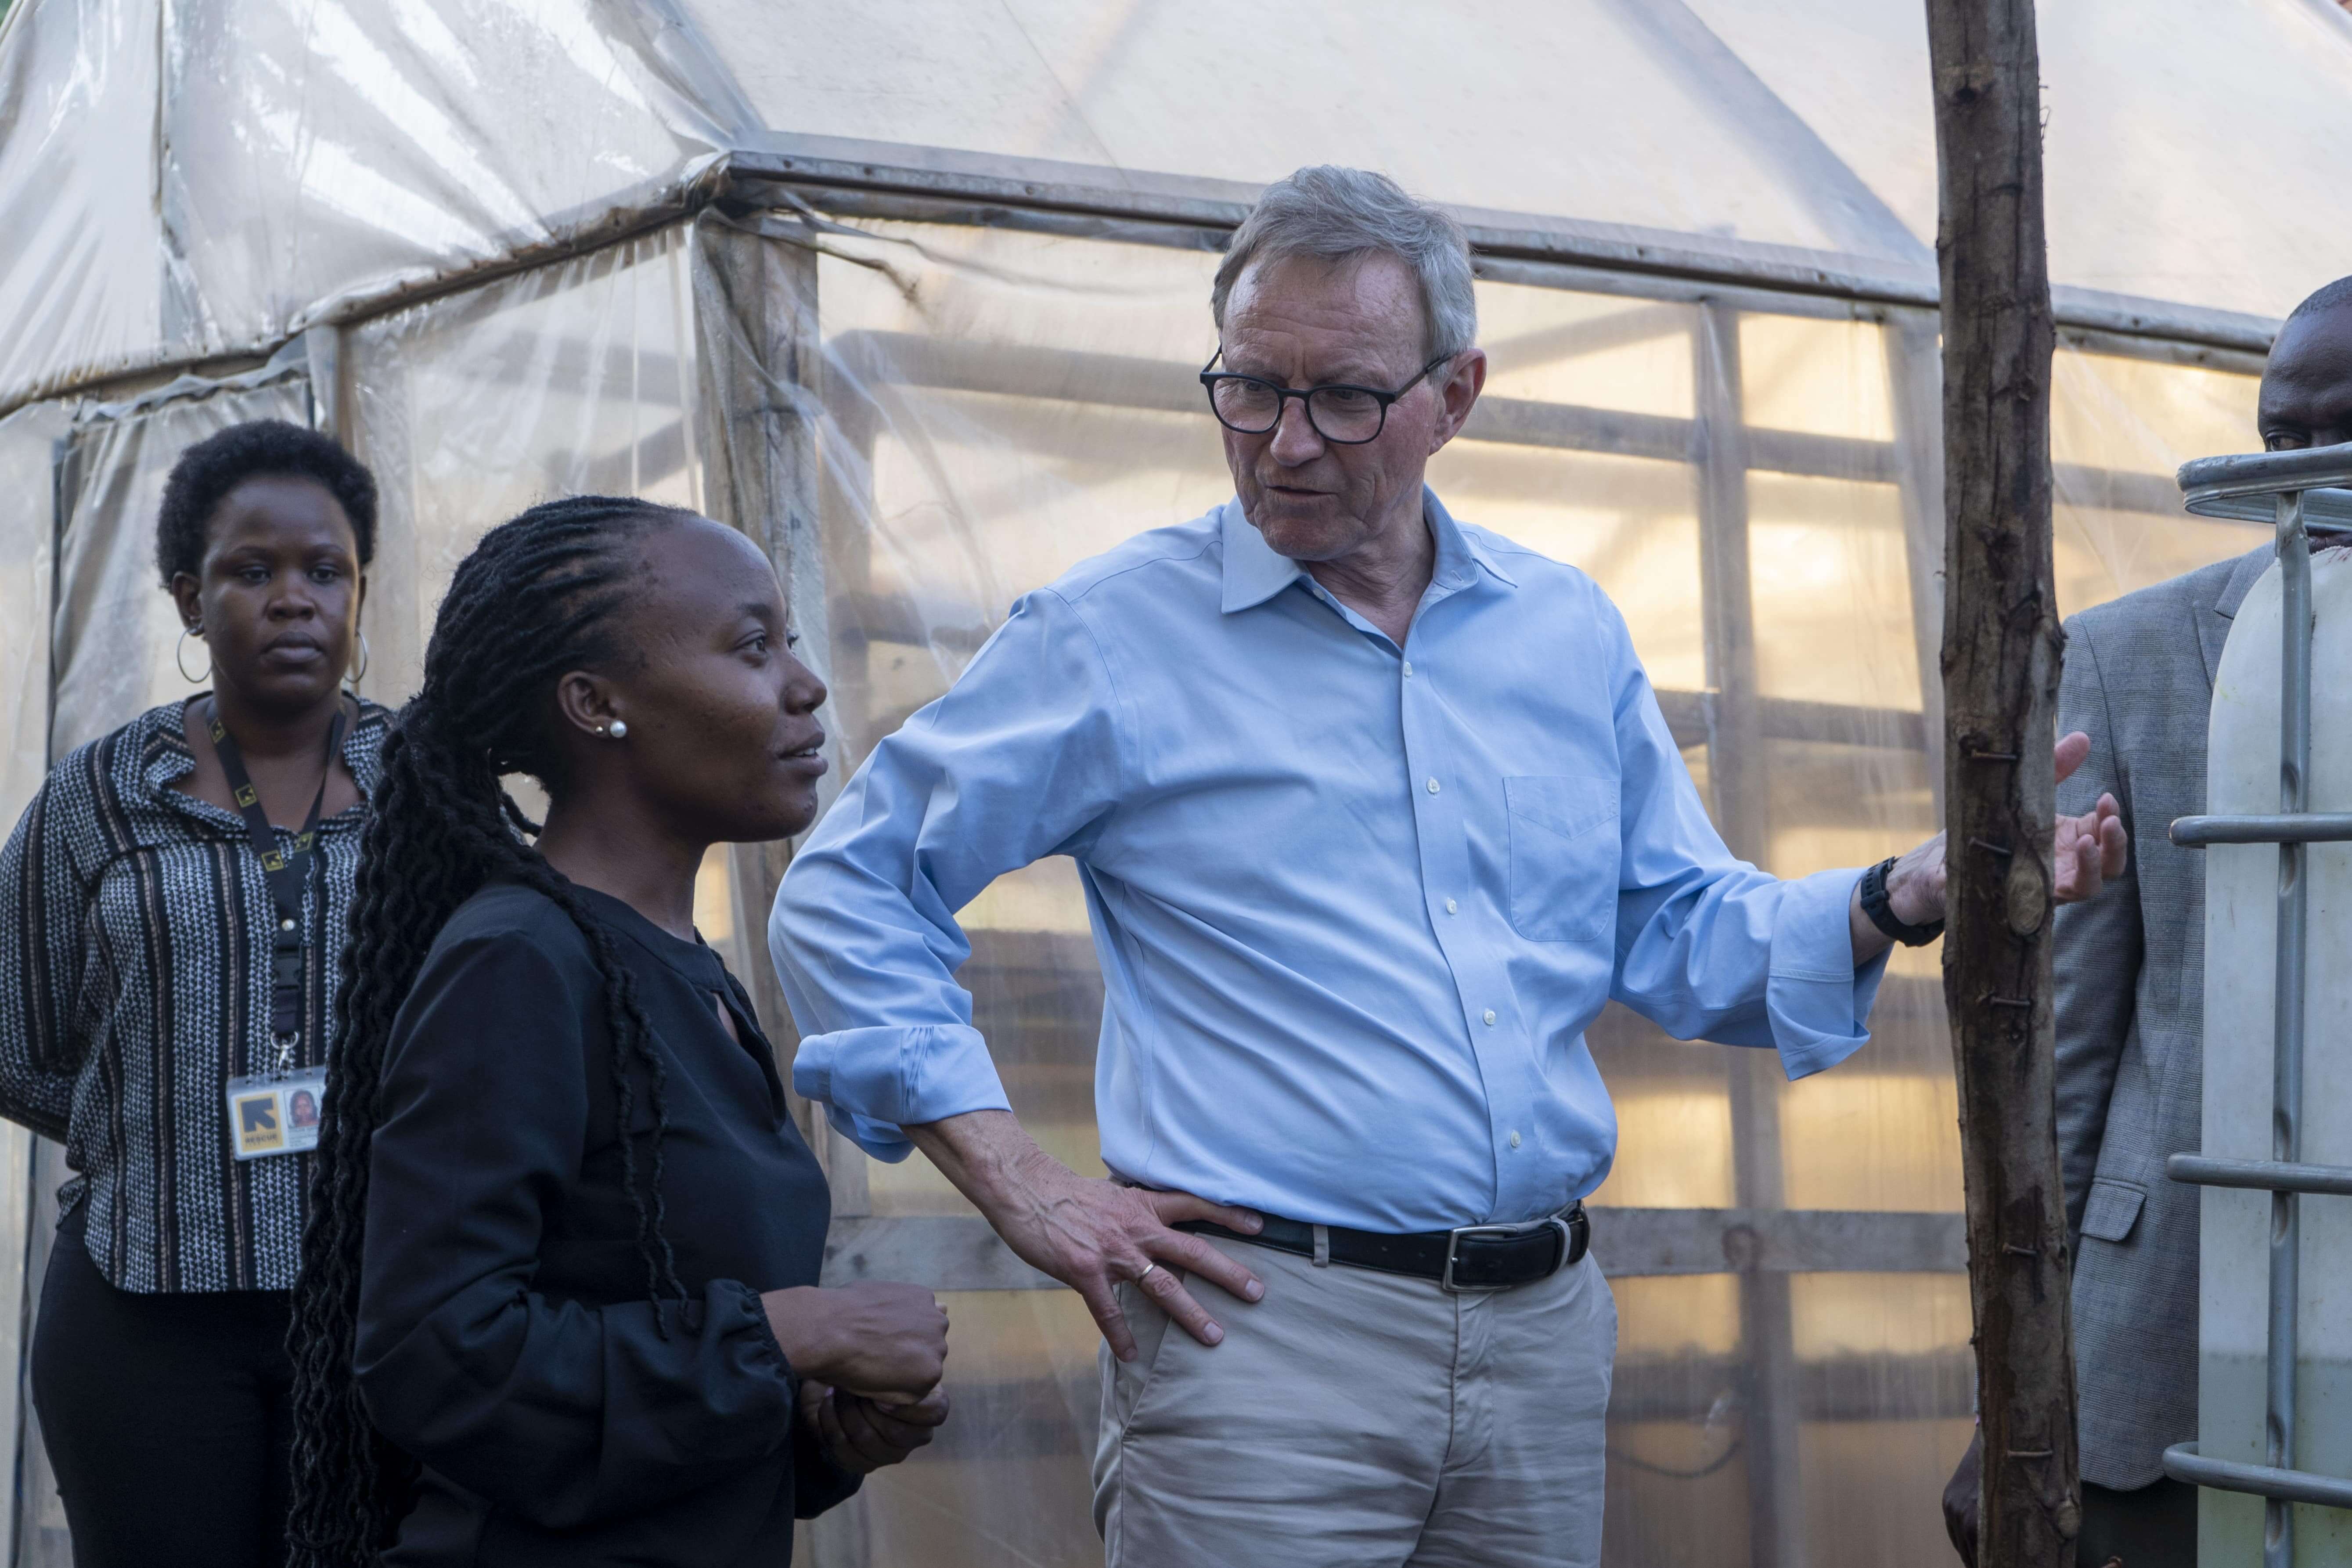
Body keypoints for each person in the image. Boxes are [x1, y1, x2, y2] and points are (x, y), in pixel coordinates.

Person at [771, 165, 2129, 1568]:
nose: (1284, 444)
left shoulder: (1560, 631)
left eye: (1342, 396)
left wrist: (1896, 893)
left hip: (1541, 1334)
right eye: (1248, 388)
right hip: (1260, 1341)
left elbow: (1666, 926)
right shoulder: (1112, 632)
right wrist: (1020, 1182)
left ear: (1454, 394)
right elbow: (850, 885)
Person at [284, 496, 951, 1568]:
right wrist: (787, 1335)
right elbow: (434, 1355)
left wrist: (814, 1426)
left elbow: (634, 1317)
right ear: (596, 704)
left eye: (787, 639)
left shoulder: (691, 978)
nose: (805, 682)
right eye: (751, 646)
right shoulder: (521, 962)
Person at [1942, 278, 2352, 1568]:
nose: (2304, 473)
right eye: (2279, 437)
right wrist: (2011, 1404)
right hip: (2165, 1338)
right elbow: (2061, 1056)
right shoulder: (2133, 656)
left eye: (2341, 436)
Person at [0, 420, 385, 1566]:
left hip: (383, 1310)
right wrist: (154, 1122)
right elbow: (10, 1032)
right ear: (187, 595)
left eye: (325, 571)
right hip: (141, 1320)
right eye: (250, 570)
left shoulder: (431, 791)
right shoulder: (100, 797)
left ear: (360, 592)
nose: (291, 599)